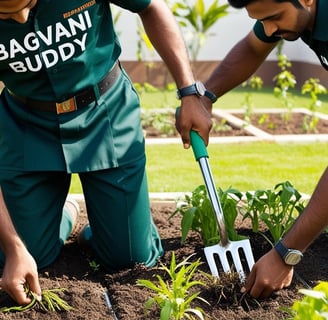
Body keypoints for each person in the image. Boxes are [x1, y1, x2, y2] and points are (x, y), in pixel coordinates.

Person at [0, 0, 213, 306]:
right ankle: (62, 217)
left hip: (105, 112)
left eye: (26, 4)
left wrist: (189, 91)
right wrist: (13, 248)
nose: (19, 18)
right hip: (25, 125)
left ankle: (112, 223)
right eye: (4, 13)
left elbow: (151, 7)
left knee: (129, 259)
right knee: (20, 255)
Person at [196, 0, 328, 299]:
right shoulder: (294, 15)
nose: (269, 28)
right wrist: (205, 97)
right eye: (261, 20)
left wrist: (286, 253)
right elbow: (253, 47)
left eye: (274, 18)